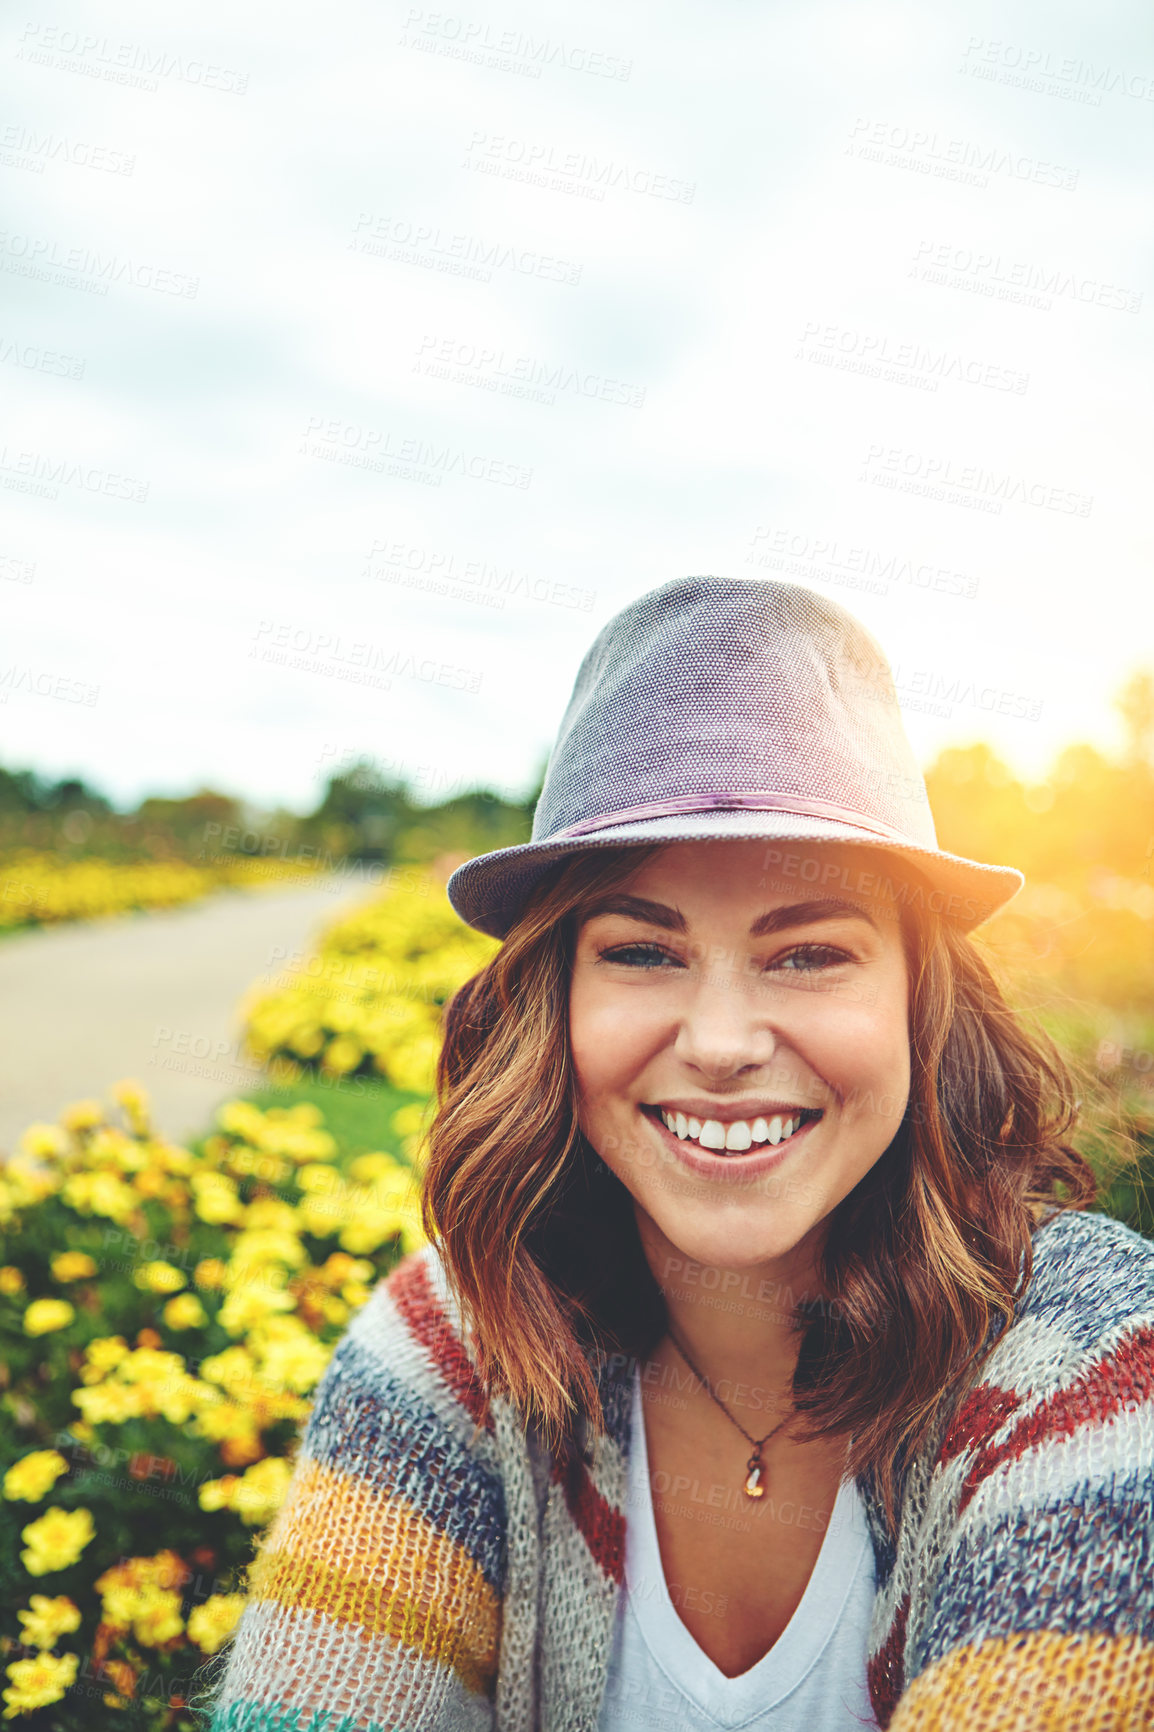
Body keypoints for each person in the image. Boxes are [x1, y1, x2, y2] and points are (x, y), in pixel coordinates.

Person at [196, 576, 1154, 1731]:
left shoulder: (1095, 1362)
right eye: (642, 953)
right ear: (553, 998)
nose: (719, 1046)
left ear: (920, 998)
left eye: (806, 955)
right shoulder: (454, 1350)